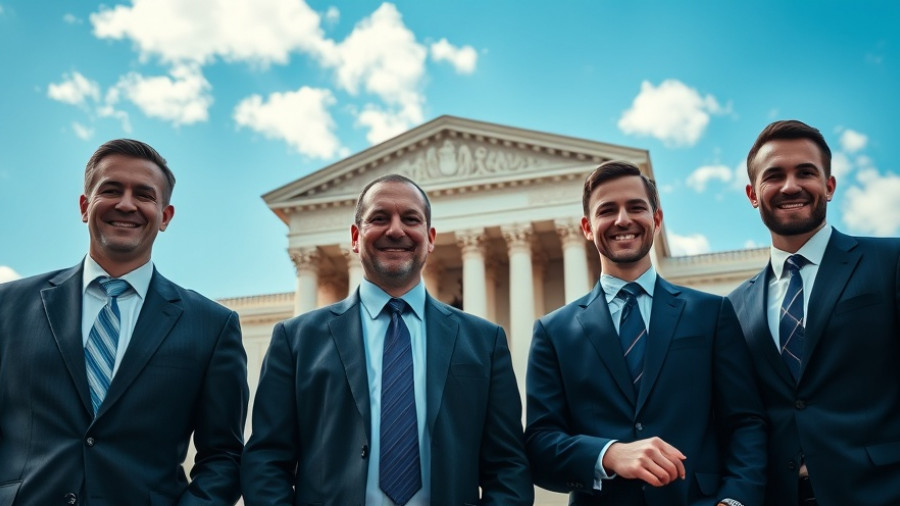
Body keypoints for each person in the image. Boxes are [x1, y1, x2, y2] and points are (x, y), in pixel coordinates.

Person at [241, 174, 532, 505]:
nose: (396, 230)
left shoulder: (484, 341)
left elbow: (508, 468)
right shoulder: (296, 340)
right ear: (355, 236)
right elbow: (266, 461)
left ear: (430, 237)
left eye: (411, 219)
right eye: (379, 218)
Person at [0, 139, 249, 505]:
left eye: (144, 195)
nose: (126, 204)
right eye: (111, 190)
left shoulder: (212, 326)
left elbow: (224, 456)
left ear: (165, 217)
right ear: (85, 206)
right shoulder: (8, 306)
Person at [526, 161, 766, 506]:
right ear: (587, 227)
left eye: (635, 207)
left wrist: (735, 501)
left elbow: (746, 422)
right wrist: (609, 454)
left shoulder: (711, 313)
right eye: (607, 210)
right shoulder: (554, 331)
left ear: (656, 219)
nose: (623, 219)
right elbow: (539, 444)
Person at [729, 119, 900, 506]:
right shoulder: (734, 307)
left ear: (829, 185)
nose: (790, 186)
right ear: (752, 194)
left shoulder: (890, 262)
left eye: (805, 172)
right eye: (774, 175)